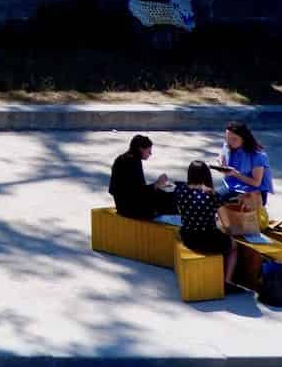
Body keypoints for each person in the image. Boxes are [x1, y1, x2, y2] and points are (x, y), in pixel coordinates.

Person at [177, 160, 240, 290]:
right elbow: (226, 224)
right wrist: (230, 233)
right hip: (206, 239)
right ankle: (227, 281)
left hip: (187, 237)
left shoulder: (181, 190)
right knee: (233, 246)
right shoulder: (212, 195)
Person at [217, 120, 273, 224]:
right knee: (212, 197)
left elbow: (256, 182)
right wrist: (221, 162)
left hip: (253, 192)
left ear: (244, 138)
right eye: (227, 138)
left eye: (234, 139)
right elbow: (222, 155)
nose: (230, 142)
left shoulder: (258, 156)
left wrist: (235, 174)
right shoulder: (228, 145)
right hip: (233, 185)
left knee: (219, 200)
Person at [108, 134, 176, 220]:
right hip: (130, 209)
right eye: (148, 151)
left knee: (163, 194)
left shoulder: (124, 158)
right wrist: (156, 185)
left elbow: (134, 190)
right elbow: (137, 192)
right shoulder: (131, 162)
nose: (150, 154)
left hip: (124, 205)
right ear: (140, 149)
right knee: (169, 198)